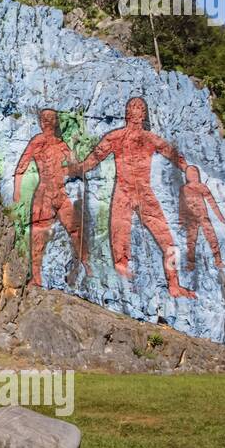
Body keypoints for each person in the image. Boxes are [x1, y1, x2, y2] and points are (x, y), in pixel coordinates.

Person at [71, 96, 196, 299]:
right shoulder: (115, 137)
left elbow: (172, 154)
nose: (136, 110)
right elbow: (93, 159)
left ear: (144, 113)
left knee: (168, 242)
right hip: (123, 191)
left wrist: (187, 169)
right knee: (119, 238)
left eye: (139, 107)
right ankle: (122, 280)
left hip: (145, 193)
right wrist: (75, 169)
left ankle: (174, 284)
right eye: (132, 107)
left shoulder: (150, 139)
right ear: (127, 113)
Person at [13, 109, 90, 286]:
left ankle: (86, 264)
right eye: (44, 118)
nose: (48, 121)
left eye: (51, 118)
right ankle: (36, 276)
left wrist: (70, 161)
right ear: (40, 122)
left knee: (75, 229)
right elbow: (21, 166)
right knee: (38, 233)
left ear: (55, 122)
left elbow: (75, 167)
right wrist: (17, 191)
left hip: (61, 194)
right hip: (44, 194)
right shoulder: (37, 141)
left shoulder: (61, 144)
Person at [179, 164, 225, 270]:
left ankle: (218, 261)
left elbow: (211, 201)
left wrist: (219, 216)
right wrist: (181, 220)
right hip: (192, 218)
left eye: (193, 174)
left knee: (211, 238)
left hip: (203, 216)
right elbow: (182, 205)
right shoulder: (184, 189)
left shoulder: (201, 186)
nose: (192, 176)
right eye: (191, 174)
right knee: (191, 241)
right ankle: (191, 264)